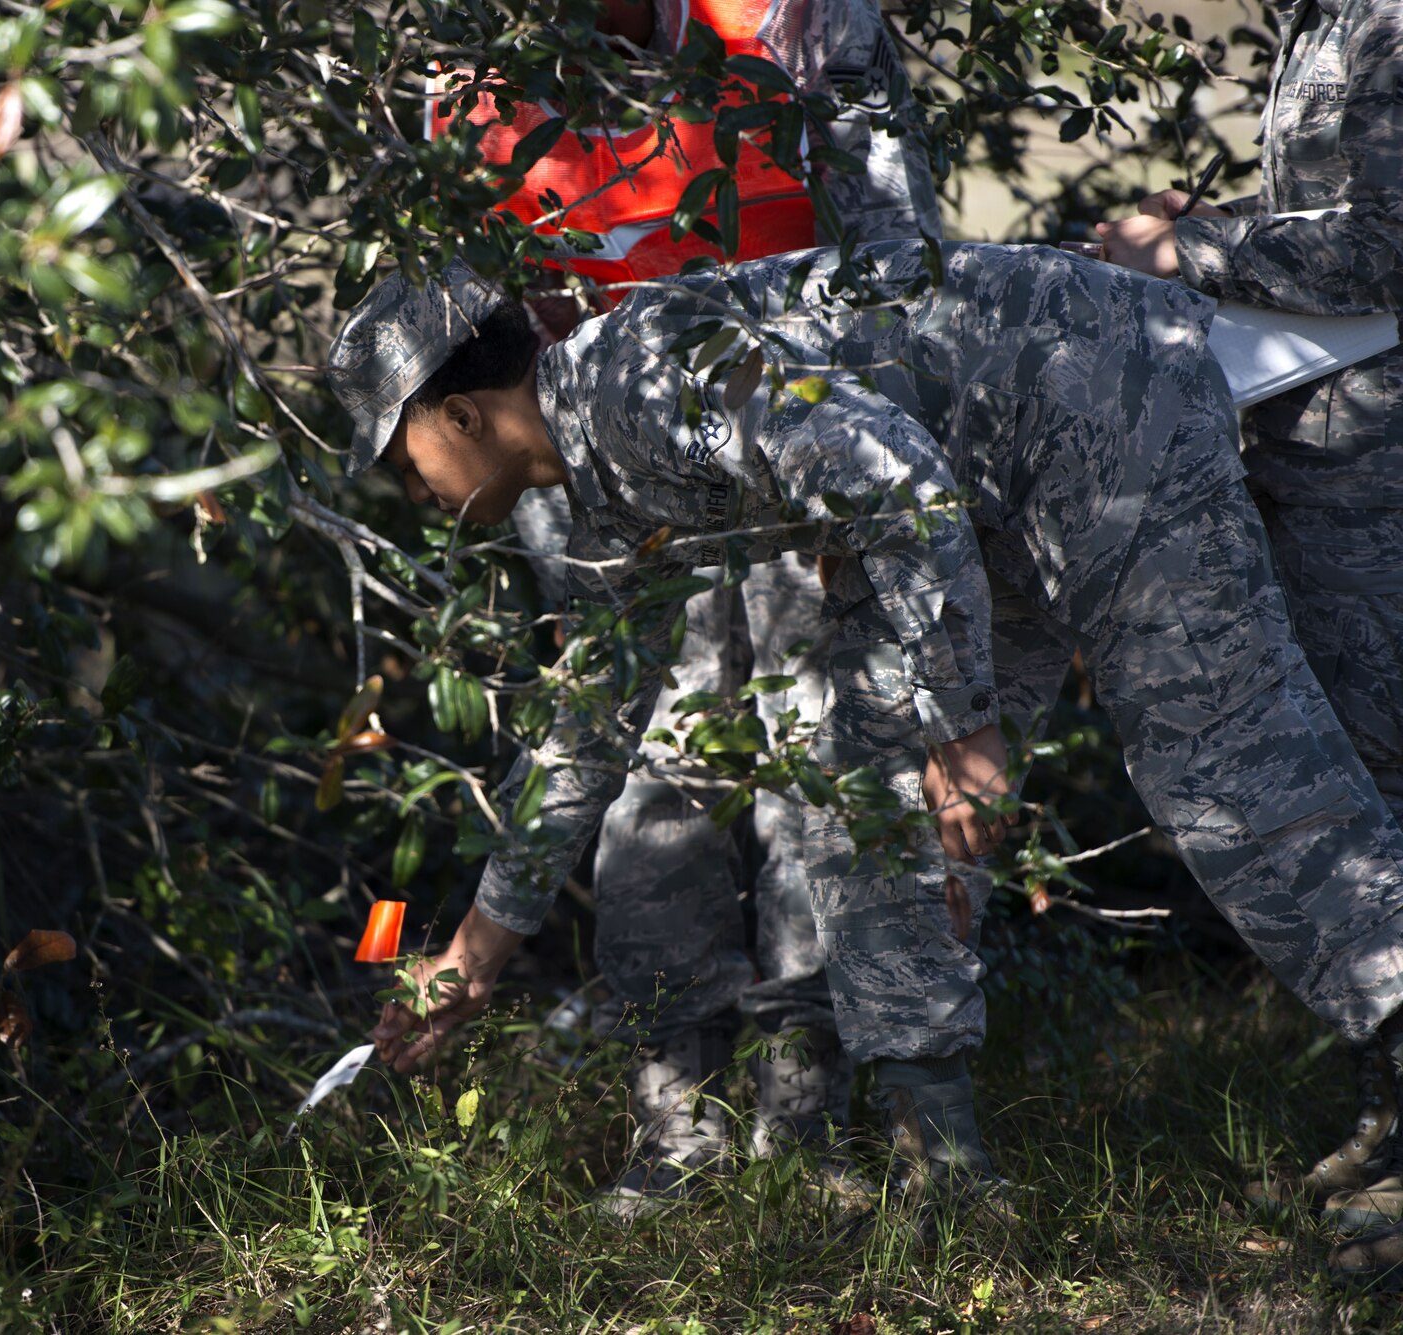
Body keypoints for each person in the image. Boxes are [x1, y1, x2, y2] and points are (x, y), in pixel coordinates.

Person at [331, 240, 1403, 1209]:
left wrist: (958, 724)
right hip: (962, 492)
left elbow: (888, 472)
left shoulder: (640, 384)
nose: (410, 491)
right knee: (864, 805)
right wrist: (472, 956)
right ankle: (945, 1173)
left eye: (400, 459)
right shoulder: (595, 478)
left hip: (1094, 403)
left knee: (1222, 762)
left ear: (459, 415)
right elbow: (591, 722)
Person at [491, 0, 946, 1216]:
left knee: (822, 764)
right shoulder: (481, 82)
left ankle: (806, 1118)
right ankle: (670, 1126)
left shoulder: (790, 21)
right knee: (651, 776)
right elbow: (489, 336)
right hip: (621, 489)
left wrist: (865, 489)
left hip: (804, 459)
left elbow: (896, 252)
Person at [1095, 0, 1403, 1271]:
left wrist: (1189, 253)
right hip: (1332, 477)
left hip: (1381, 486)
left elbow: (1385, 242)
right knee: (1369, 796)